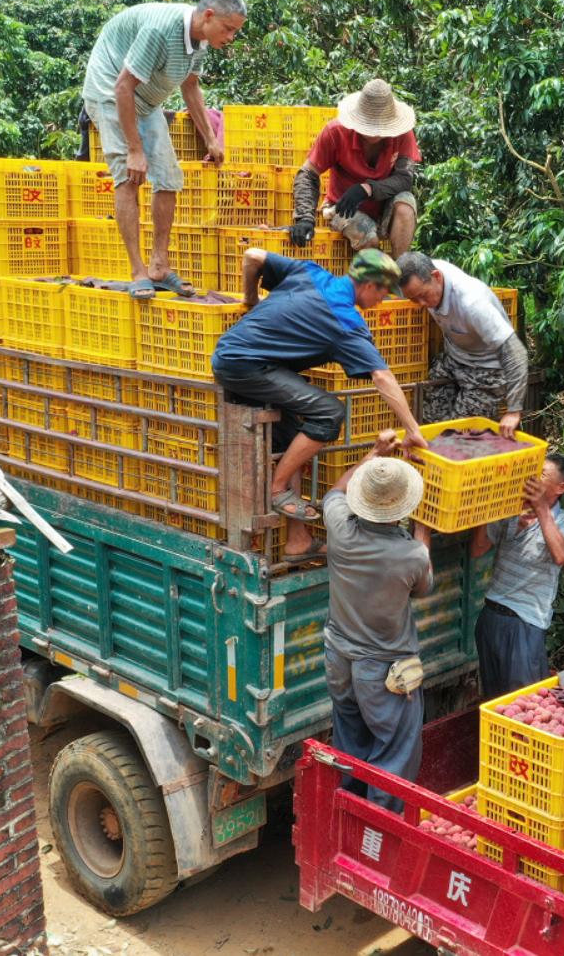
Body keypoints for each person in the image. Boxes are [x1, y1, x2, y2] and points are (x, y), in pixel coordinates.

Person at [209, 247, 428, 560]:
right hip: (243, 366)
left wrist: (251, 299)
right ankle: (277, 488)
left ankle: (297, 542)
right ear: (368, 286)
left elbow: (252, 256)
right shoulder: (345, 321)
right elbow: (382, 376)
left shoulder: (309, 272)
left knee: (294, 438)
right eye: (382, 293)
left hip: (240, 358)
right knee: (329, 412)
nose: (383, 301)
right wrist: (412, 429)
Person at [82, 0, 246, 299]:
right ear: (208, 15)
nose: (230, 37)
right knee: (129, 177)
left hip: (146, 100)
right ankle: (138, 271)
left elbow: (191, 86)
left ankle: (159, 265)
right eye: (228, 29)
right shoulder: (161, 31)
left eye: (235, 31)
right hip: (110, 91)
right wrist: (134, 149)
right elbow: (122, 87)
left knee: (169, 179)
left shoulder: (199, 41)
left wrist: (211, 139)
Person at [323, 431, 434, 812]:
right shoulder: (412, 555)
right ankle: (378, 825)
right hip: (385, 667)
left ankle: (348, 809)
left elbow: (334, 494)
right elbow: (422, 589)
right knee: (395, 749)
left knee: (349, 738)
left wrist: (373, 454)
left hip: (338, 656)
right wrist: (425, 528)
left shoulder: (340, 530)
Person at [470, 455, 564, 697]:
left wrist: (541, 509)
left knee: (524, 702)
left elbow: (561, 555)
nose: (532, 478)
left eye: (542, 474)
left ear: (561, 488)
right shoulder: (511, 512)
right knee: (493, 701)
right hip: (491, 616)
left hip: (525, 623)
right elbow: (477, 550)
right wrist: (487, 507)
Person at [396, 251, 529, 439]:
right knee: (432, 426)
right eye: (413, 299)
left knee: (458, 437)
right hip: (454, 358)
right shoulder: (422, 271)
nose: (421, 304)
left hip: (487, 370)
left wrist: (514, 409)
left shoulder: (473, 303)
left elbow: (516, 353)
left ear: (436, 277)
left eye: (423, 296)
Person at [291, 79, 420, 254]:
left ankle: (400, 271)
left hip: (383, 207)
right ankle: (374, 275)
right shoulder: (336, 132)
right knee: (369, 239)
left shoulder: (402, 134)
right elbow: (308, 174)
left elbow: (405, 179)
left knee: (406, 202)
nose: (373, 133)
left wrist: (367, 189)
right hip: (343, 208)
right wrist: (305, 218)